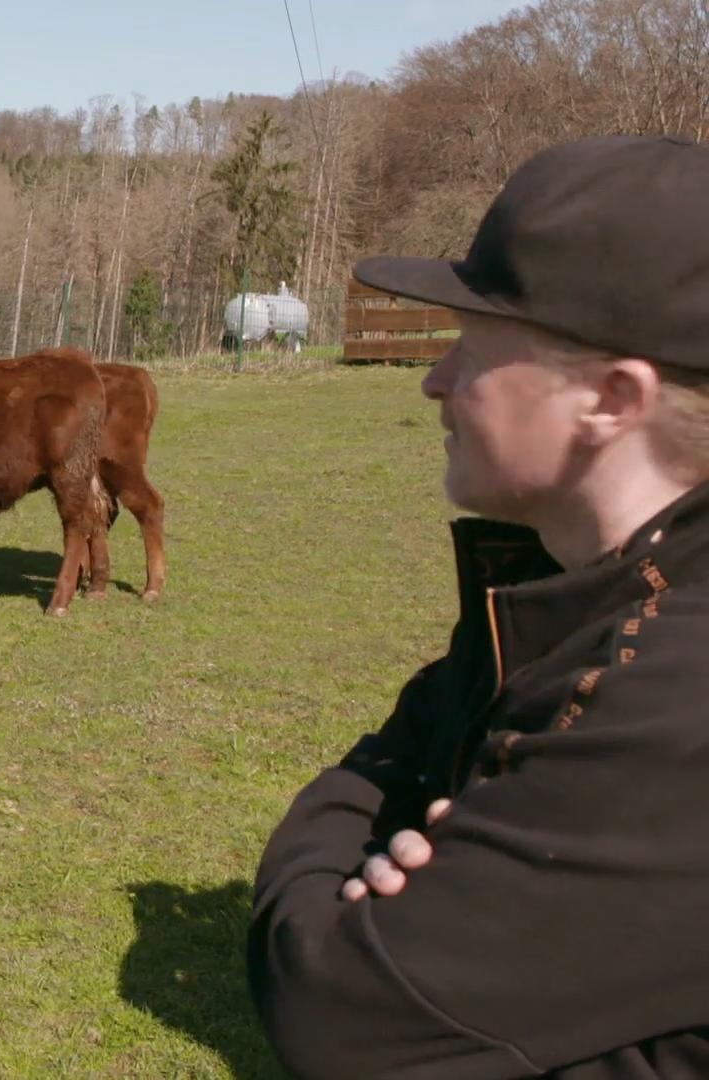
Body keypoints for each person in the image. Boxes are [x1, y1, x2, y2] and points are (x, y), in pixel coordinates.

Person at [248, 134, 709, 1077]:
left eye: (473, 346)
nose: (435, 379)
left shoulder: (681, 692)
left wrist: (334, 856)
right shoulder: (569, 578)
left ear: (611, 399)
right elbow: (410, 753)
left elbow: (337, 1007)